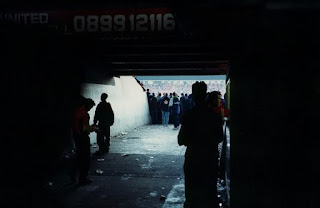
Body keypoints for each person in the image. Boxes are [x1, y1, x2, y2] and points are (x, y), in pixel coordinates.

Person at [178, 81, 223, 208]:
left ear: (193, 95)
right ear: (205, 95)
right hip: (210, 159)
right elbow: (220, 137)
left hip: (193, 158)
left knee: (192, 195)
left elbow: (181, 140)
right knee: (209, 194)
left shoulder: (189, 115)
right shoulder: (213, 116)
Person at [72, 98, 97, 185]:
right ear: (88, 105)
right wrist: (94, 128)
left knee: (79, 156)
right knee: (85, 158)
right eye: (90, 107)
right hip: (82, 137)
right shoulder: (84, 113)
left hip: (77, 136)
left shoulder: (78, 111)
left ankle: (73, 175)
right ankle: (83, 178)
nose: (90, 109)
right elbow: (84, 128)